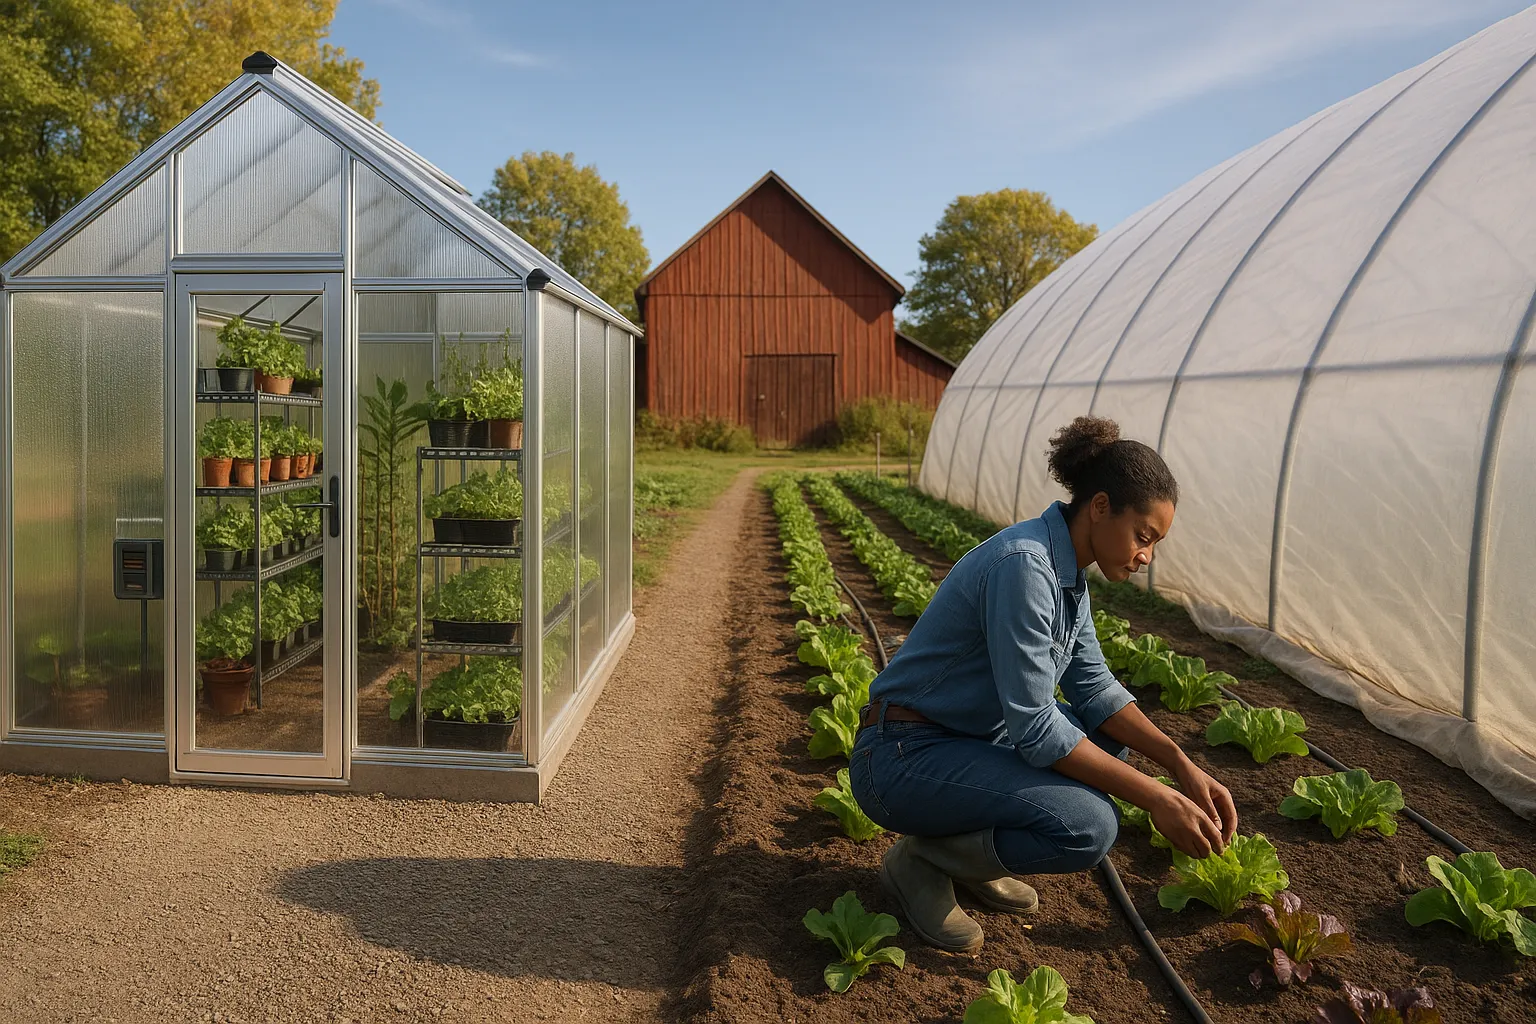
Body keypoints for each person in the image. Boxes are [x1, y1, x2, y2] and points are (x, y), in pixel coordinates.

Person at [847, 415, 1237, 953]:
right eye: (1143, 536)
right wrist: (1158, 798)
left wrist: (1179, 762)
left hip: (965, 742)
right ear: (1100, 507)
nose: (1146, 555)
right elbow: (1034, 726)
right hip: (900, 757)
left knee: (1107, 734)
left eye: (1155, 543)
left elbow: (1095, 689)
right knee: (1089, 827)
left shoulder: (1068, 574)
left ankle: (967, 852)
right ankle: (922, 860)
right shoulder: (1025, 567)